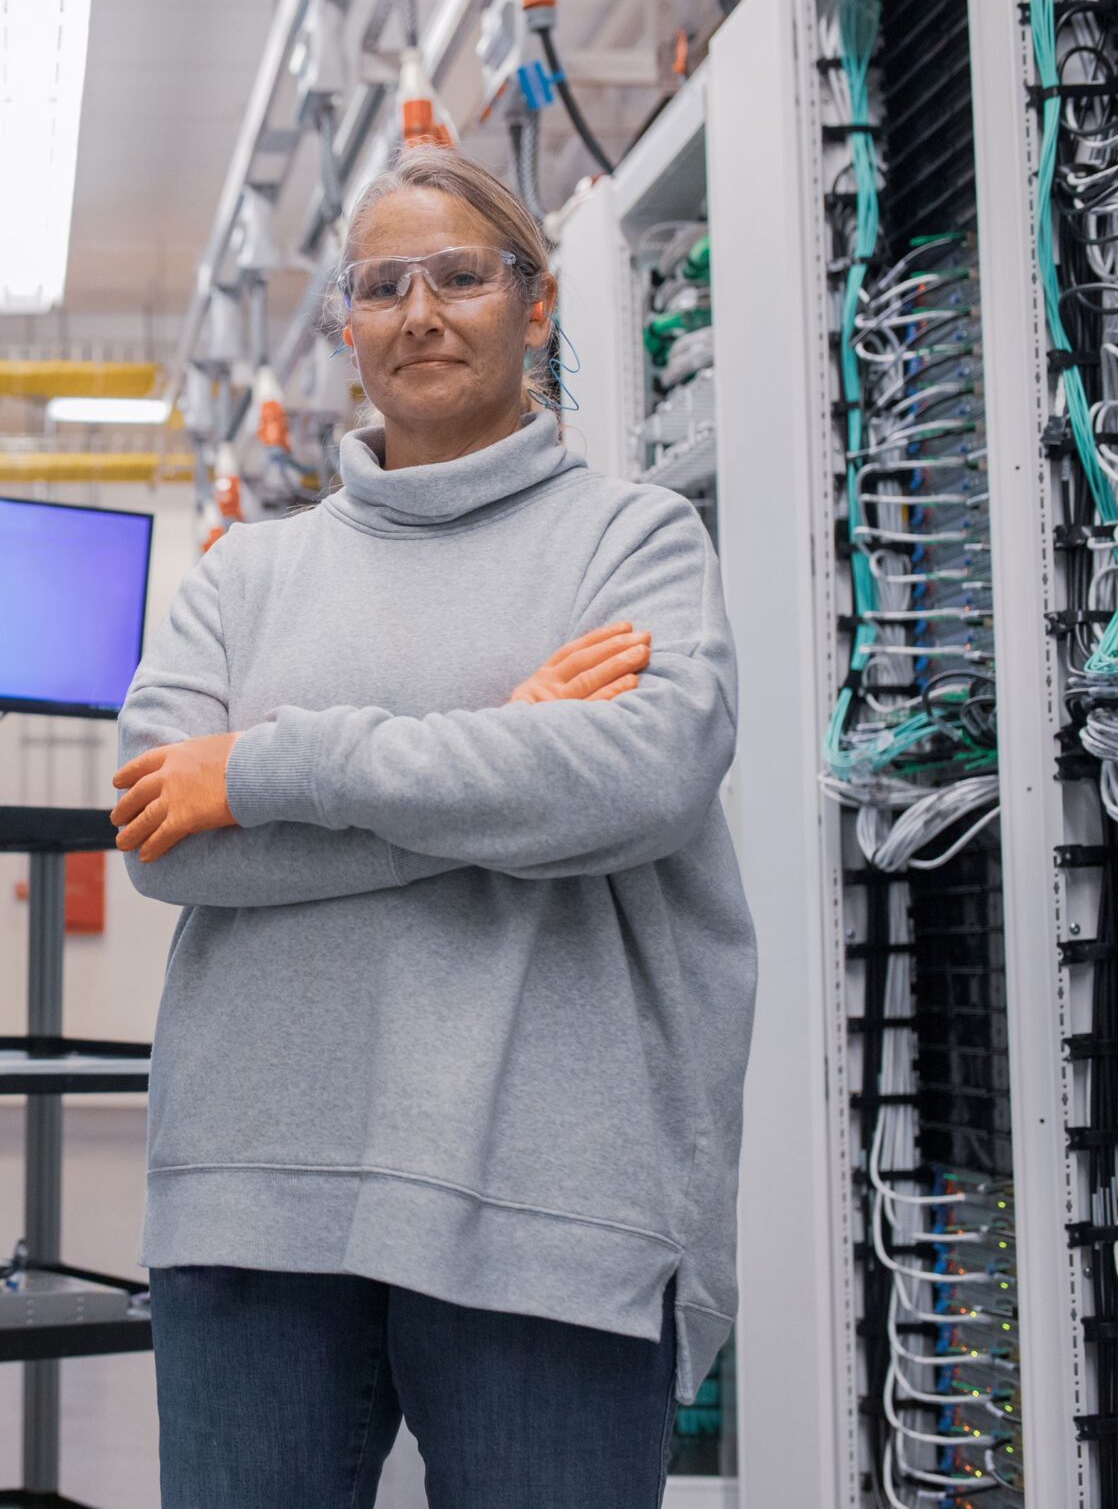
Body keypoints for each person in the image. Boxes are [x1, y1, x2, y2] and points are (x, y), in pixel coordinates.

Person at [112, 146, 755, 1508]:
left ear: (533, 300)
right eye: (381, 285)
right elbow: (164, 824)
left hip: (548, 1205)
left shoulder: (634, 544)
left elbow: (640, 779)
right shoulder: (247, 576)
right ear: (346, 327)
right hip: (250, 1199)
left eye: (459, 275)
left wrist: (278, 767)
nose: (420, 312)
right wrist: (507, 756)